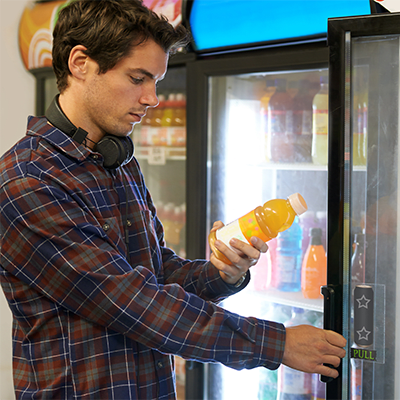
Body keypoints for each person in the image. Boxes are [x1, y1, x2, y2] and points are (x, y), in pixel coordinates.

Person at [0, 0, 346, 399]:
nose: (152, 98)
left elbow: (157, 273)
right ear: (80, 63)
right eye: (138, 78)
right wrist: (278, 343)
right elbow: (133, 302)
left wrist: (219, 274)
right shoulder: (27, 181)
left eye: (157, 82)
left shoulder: (117, 160)